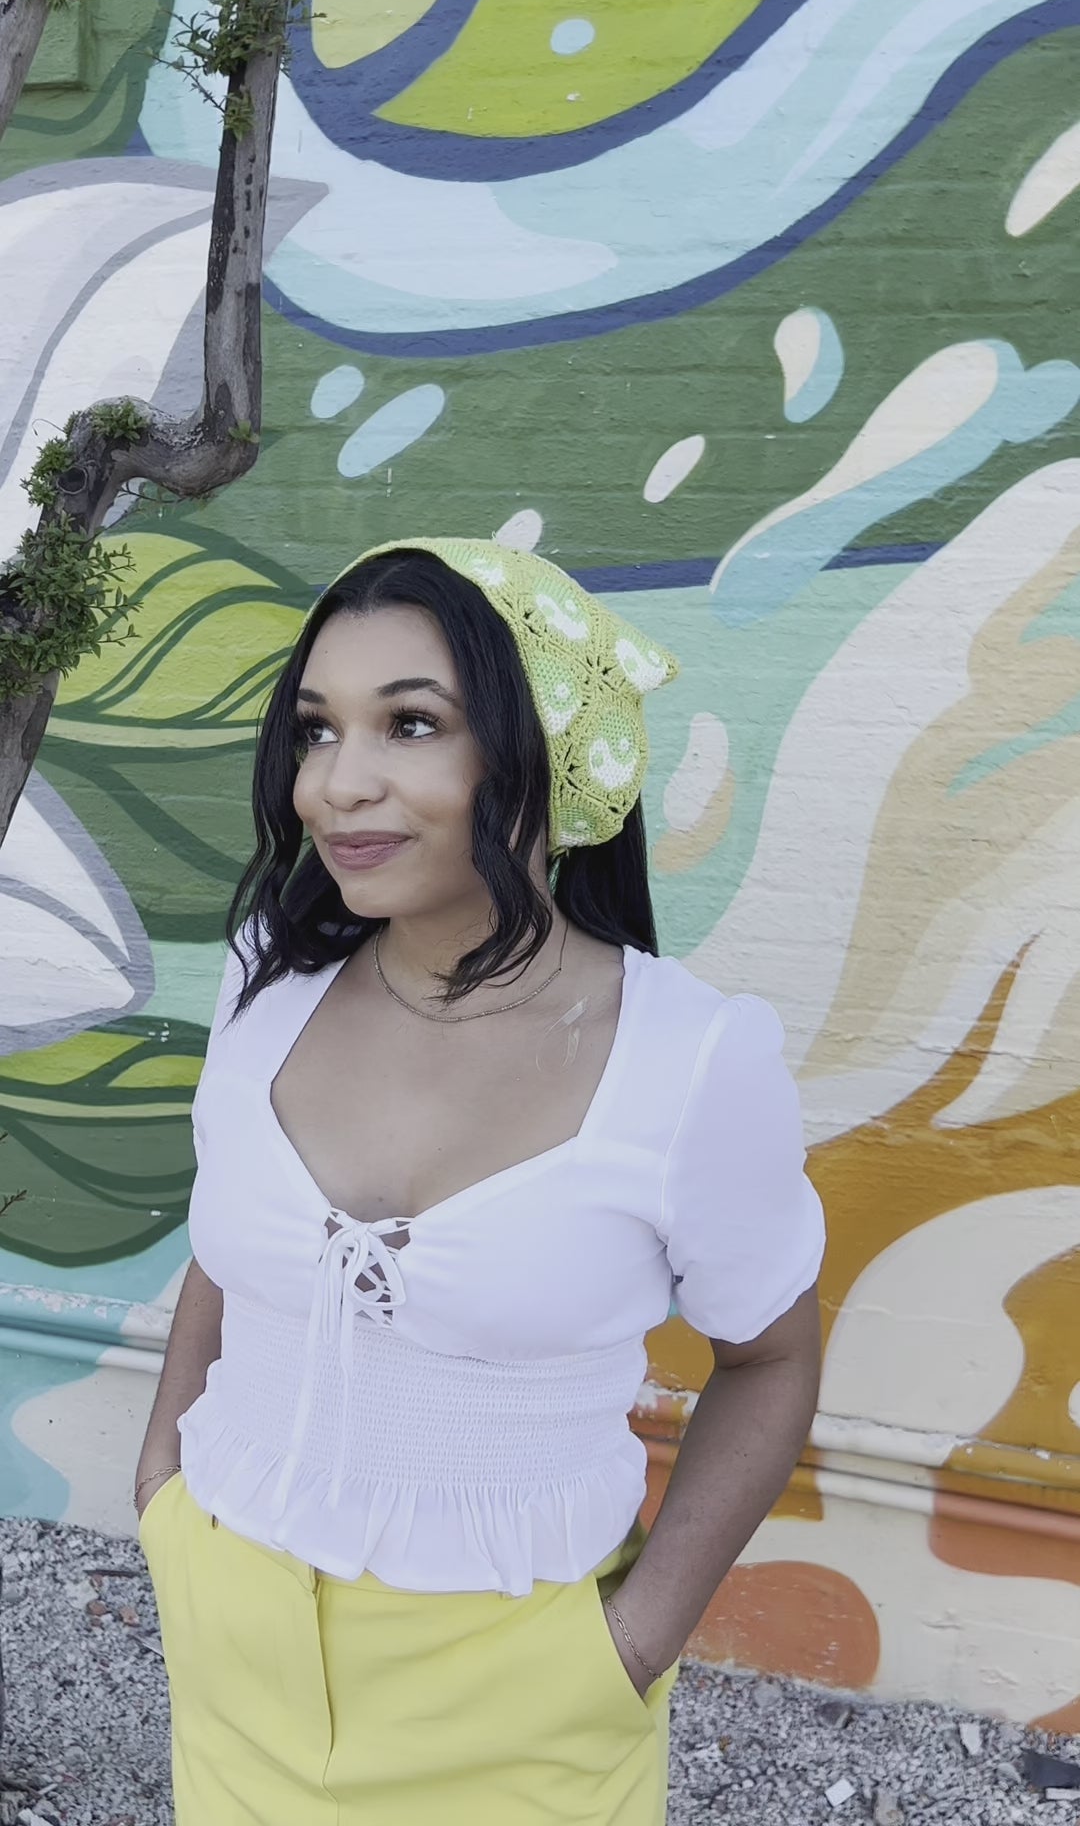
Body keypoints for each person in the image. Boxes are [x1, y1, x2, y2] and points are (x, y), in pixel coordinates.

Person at [134, 536, 825, 1826]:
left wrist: (630, 1645)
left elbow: (772, 1358)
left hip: (524, 1681)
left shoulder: (691, 1058)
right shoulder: (267, 981)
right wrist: (163, 1483)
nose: (337, 784)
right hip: (228, 1631)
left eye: (411, 724)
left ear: (545, 749)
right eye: (317, 729)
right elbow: (228, 1245)